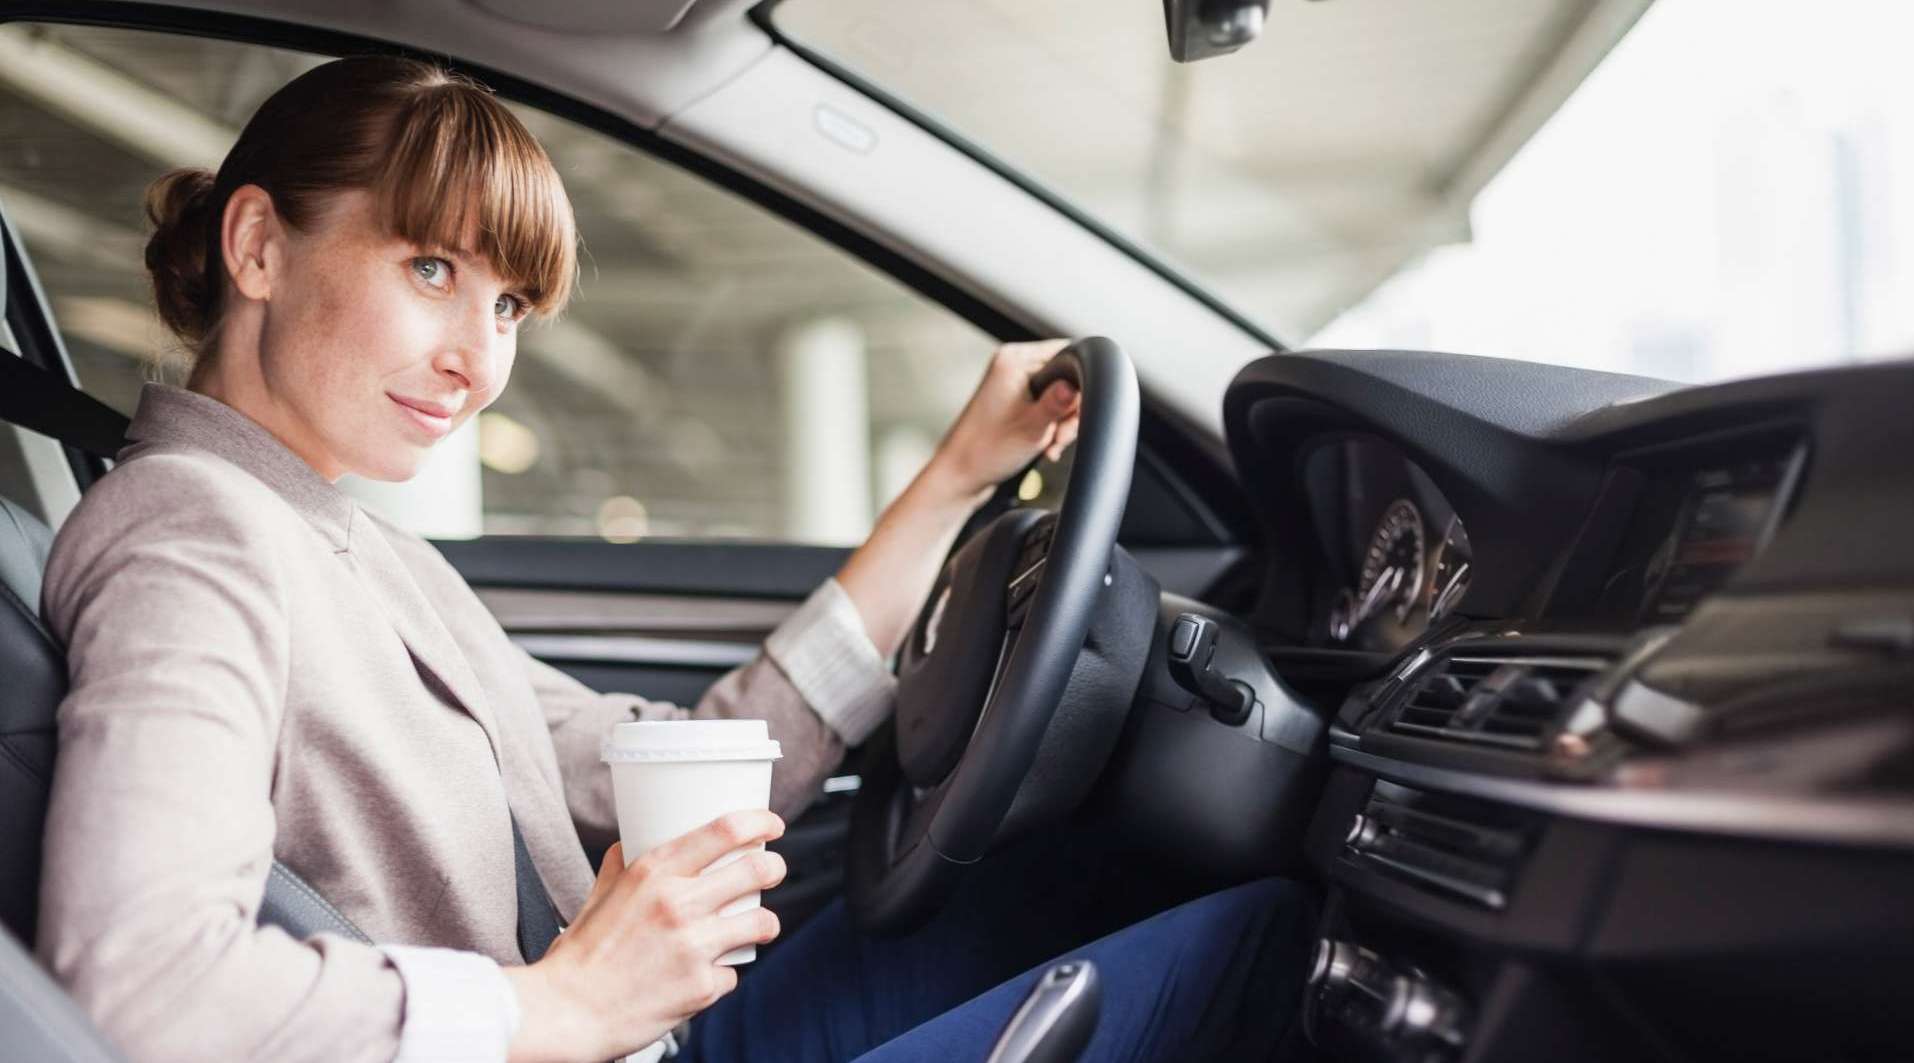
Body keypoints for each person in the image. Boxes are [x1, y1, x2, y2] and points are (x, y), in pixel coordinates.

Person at [34, 56, 1313, 1063]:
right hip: (574, 1037)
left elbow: (672, 758)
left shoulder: (352, 542)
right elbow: (144, 987)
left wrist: (954, 480)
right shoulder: (194, 534)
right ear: (259, 247)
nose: (478, 361)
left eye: (507, 306)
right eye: (430, 267)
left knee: (1073, 878)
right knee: (1276, 944)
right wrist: (558, 1002)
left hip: (647, 1035)